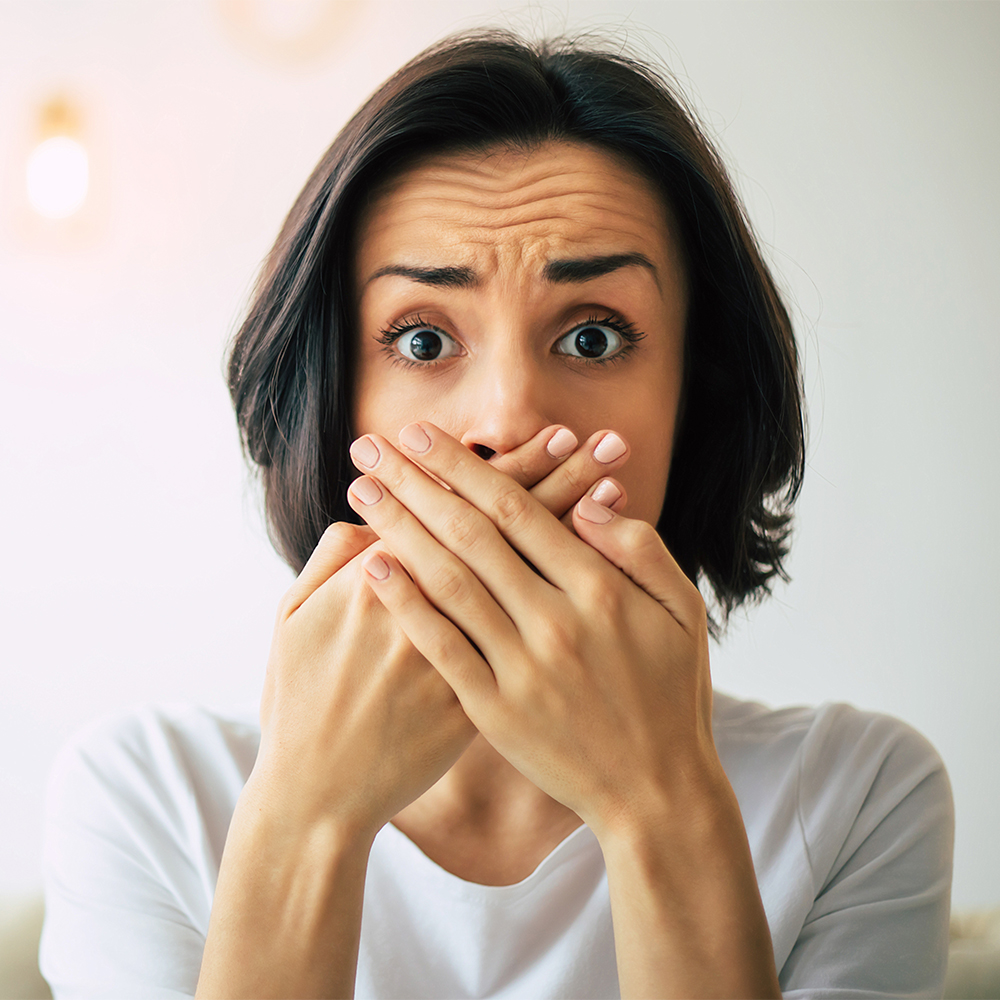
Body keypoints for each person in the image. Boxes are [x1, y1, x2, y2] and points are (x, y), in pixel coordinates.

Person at [40, 30, 954, 999]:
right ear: (330, 397)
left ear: (698, 398)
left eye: (593, 336)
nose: (508, 418)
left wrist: (659, 804)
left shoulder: (860, 796)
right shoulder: (143, 797)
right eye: (424, 338)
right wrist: (307, 818)